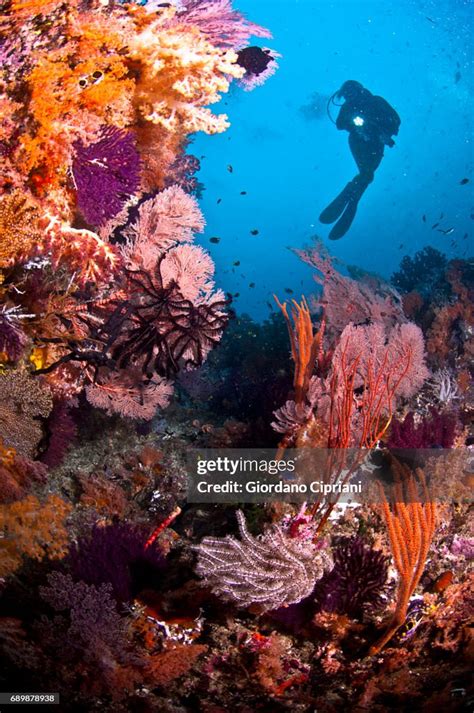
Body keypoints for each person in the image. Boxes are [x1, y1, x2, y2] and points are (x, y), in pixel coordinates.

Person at [320, 80, 401, 240]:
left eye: (352, 93)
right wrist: (355, 124)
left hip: (376, 142)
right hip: (358, 141)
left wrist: (386, 133)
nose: (350, 97)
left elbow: (395, 119)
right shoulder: (347, 107)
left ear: (359, 90)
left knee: (368, 174)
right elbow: (340, 124)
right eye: (347, 95)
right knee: (367, 173)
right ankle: (353, 195)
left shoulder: (376, 101)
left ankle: (352, 194)